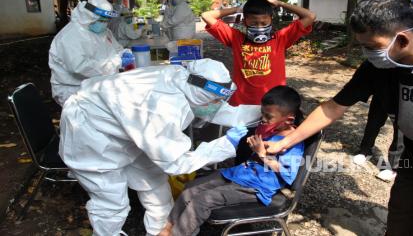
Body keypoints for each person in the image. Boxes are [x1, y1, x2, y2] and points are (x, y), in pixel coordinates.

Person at [266, 0, 413, 235]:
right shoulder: (380, 66)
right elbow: (333, 107)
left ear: (401, 40)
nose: (368, 54)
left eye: (371, 47)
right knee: (398, 223)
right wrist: (285, 142)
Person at [59, 58, 262, 236]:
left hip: (126, 129)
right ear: (198, 94)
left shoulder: (182, 79)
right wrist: (224, 145)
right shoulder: (160, 107)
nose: (218, 103)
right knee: (112, 203)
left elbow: (215, 109)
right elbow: (176, 162)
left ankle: (161, 233)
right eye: (215, 99)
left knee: (155, 185)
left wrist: (264, 111)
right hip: (89, 134)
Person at [159, 85, 305, 236]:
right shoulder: (269, 128)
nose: (263, 119)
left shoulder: (293, 142)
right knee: (190, 189)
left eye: (268, 117)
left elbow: (288, 173)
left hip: (256, 187)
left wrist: (262, 154)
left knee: (202, 200)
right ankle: (168, 228)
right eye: (262, 114)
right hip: (238, 174)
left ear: (288, 120)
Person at [353, 0, 413, 182]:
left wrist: (407, 16)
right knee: (374, 119)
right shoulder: (397, 27)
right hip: (384, 83)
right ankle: (365, 149)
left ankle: (395, 165)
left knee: (402, 129)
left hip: (408, 90)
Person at [201, 0, 315, 106]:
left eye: (264, 23)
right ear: (245, 21)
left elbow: (310, 16)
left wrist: (280, 3)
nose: (259, 27)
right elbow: (206, 15)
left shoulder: (282, 38)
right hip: (241, 104)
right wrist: (238, 9)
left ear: (271, 19)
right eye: (254, 23)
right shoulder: (235, 37)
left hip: (273, 105)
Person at [49, 0, 135, 106]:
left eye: (107, 20)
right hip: (75, 91)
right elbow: (80, 67)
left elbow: (117, 48)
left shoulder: (103, 32)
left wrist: (124, 53)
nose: (105, 23)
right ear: (89, 17)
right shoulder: (70, 36)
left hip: (98, 84)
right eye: (102, 20)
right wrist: (116, 63)